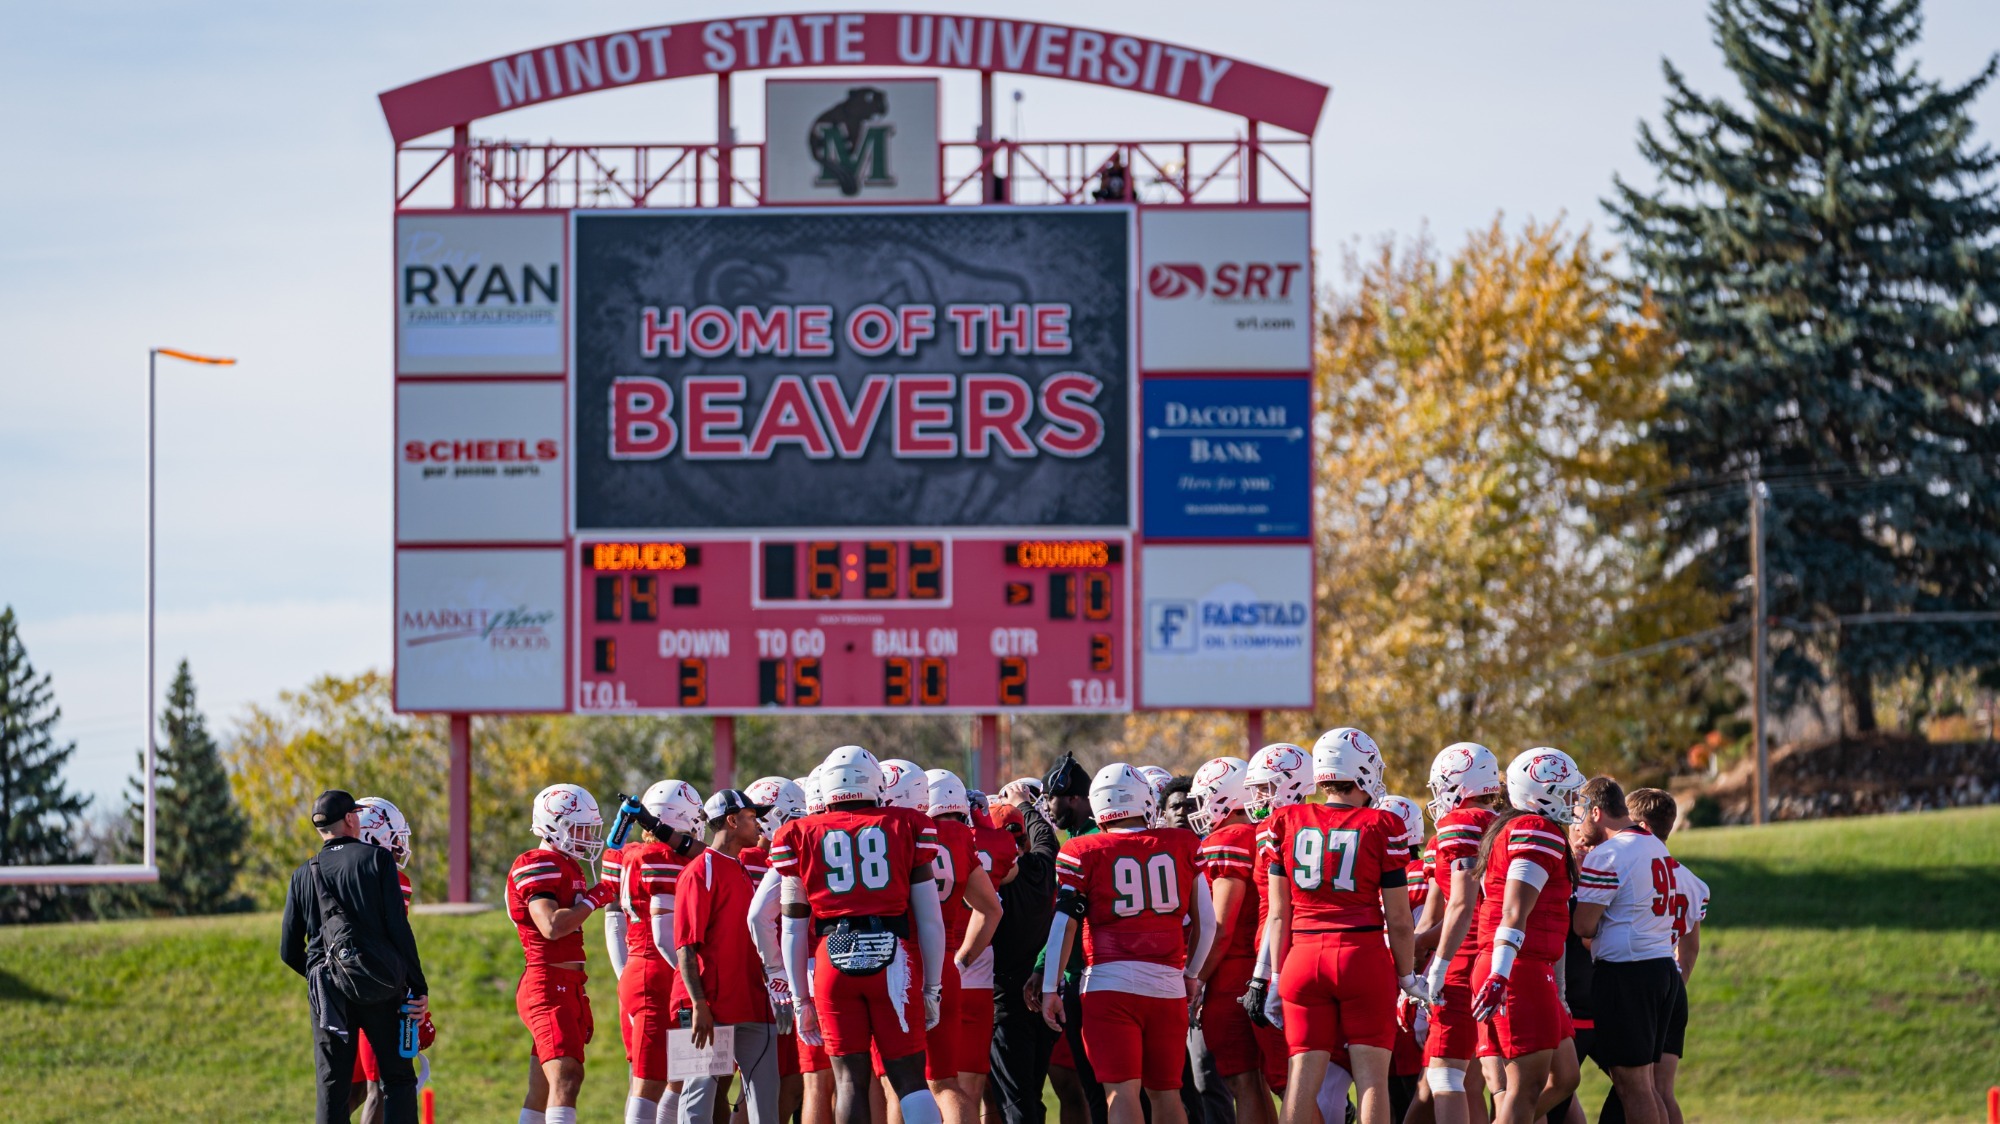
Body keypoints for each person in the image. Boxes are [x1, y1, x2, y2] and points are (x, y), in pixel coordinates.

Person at [771, 746, 949, 1124]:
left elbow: (792, 924)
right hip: (893, 956)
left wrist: (801, 997)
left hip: (831, 960)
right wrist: (932, 987)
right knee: (909, 1078)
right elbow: (931, 919)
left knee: (849, 1079)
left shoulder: (799, 834)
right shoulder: (905, 825)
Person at [1041, 764, 1215, 1124]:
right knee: (1167, 1095)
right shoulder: (1181, 844)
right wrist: (1191, 974)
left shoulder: (1082, 849)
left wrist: (1049, 986)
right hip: (1166, 984)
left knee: (1121, 1093)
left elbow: (1065, 923)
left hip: (1108, 984)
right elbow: (1207, 922)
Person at [1262, 728, 1419, 1124]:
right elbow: (1399, 921)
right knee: (1372, 1083)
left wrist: (1275, 976)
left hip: (1302, 956)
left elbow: (1278, 914)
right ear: (1362, 772)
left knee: (1300, 1082)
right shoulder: (1382, 824)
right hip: (1361, 955)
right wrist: (1407, 977)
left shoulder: (1285, 820)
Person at [280, 789, 431, 1124]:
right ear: (350, 819)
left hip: (329, 993)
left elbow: (288, 950)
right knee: (397, 1079)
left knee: (332, 1089)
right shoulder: (376, 860)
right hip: (379, 985)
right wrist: (417, 988)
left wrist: (323, 976)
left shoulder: (302, 873)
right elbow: (399, 932)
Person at [1467, 749, 1584, 1124]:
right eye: (1564, 791)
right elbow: (1515, 911)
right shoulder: (1535, 830)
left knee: (1566, 1076)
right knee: (1525, 1085)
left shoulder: (1525, 829)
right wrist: (1501, 973)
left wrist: (1560, 993)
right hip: (1516, 965)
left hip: (1530, 964)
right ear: (1539, 793)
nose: (1572, 801)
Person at [508, 783, 622, 1124]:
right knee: (567, 1077)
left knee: (543, 1087)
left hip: (567, 982)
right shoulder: (538, 861)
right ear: (552, 824)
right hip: (547, 981)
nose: (586, 836)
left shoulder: (565, 863)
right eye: (578, 827)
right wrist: (593, 899)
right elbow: (552, 926)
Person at [1570, 779, 1678, 1124]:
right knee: (1646, 1085)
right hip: (1660, 968)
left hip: (1627, 974)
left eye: (1579, 816)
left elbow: (1583, 926)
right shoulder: (1655, 846)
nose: (1577, 827)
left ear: (1595, 812)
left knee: (1633, 1088)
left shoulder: (1610, 853)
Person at [1411, 742, 1506, 1124]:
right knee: (1493, 1077)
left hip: (1465, 954)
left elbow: (1460, 906)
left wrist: (1435, 963)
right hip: (1506, 954)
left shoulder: (1458, 825)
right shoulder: (1509, 822)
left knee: (1445, 1073)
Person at [675, 789, 783, 1124]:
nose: (758, 823)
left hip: (751, 1002)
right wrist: (699, 1004)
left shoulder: (739, 868)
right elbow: (685, 946)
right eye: (752, 817)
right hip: (709, 1007)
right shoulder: (699, 870)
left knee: (767, 1100)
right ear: (732, 820)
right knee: (698, 1099)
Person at [605, 780, 707, 1124]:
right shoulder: (664, 857)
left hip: (638, 967)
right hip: (662, 971)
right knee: (650, 1082)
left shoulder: (627, 853)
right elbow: (665, 935)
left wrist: (624, 976)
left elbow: (614, 923)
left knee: (675, 1077)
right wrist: (693, 983)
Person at [1190, 756, 1275, 1124]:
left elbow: (1222, 924)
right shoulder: (1265, 831)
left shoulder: (1229, 838)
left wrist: (1198, 977)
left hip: (1233, 972)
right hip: (1264, 965)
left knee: (1244, 1083)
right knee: (1261, 1080)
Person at [350, 797, 437, 1124]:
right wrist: (412, 992)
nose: (400, 845)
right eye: (395, 837)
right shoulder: (392, 879)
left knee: (353, 1092)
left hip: (343, 990)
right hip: (379, 992)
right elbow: (394, 942)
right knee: (380, 1090)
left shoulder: (333, 870)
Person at [926, 769, 1006, 1124]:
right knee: (967, 1088)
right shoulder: (984, 840)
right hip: (972, 969)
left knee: (911, 1084)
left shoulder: (910, 835)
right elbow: (996, 901)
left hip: (924, 967)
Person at [1625, 788, 1706, 1124]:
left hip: (1640, 976)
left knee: (1640, 1088)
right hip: (1671, 980)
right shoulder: (1692, 881)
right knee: (1662, 1089)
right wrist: (1678, 984)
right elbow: (1690, 947)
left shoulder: (1634, 871)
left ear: (1641, 825)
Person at [1238, 742, 1312, 1106]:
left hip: (1282, 955)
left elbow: (1278, 910)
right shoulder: (1322, 823)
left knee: (1291, 1076)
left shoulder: (1276, 827)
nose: (1258, 797)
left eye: (1266, 787)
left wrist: (1262, 975)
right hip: (1320, 947)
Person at [987, 778, 1062, 1124]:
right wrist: (1026, 805)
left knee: (1015, 1103)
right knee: (1031, 1095)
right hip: (1041, 991)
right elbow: (1047, 838)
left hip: (1003, 998)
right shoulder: (1043, 867)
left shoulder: (988, 880)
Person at [747, 776, 814, 1124]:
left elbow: (759, 917)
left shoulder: (788, 845)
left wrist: (775, 971)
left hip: (799, 971)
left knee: (807, 1082)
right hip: (788, 976)